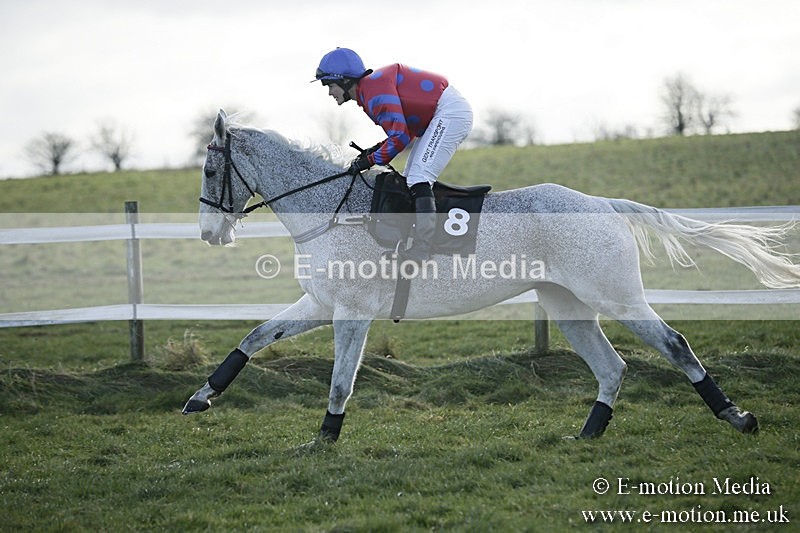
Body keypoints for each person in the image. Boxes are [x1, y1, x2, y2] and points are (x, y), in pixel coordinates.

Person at [312, 47, 473, 262]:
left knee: (419, 177)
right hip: (440, 114)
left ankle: (422, 249)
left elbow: (399, 137)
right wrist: (373, 152)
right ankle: (414, 240)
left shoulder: (373, 93)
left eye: (330, 85)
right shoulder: (370, 90)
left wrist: (369, 160)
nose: (330, 93)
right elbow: (401, 134)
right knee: (410, 178)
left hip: (450, 113)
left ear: (346, 81)